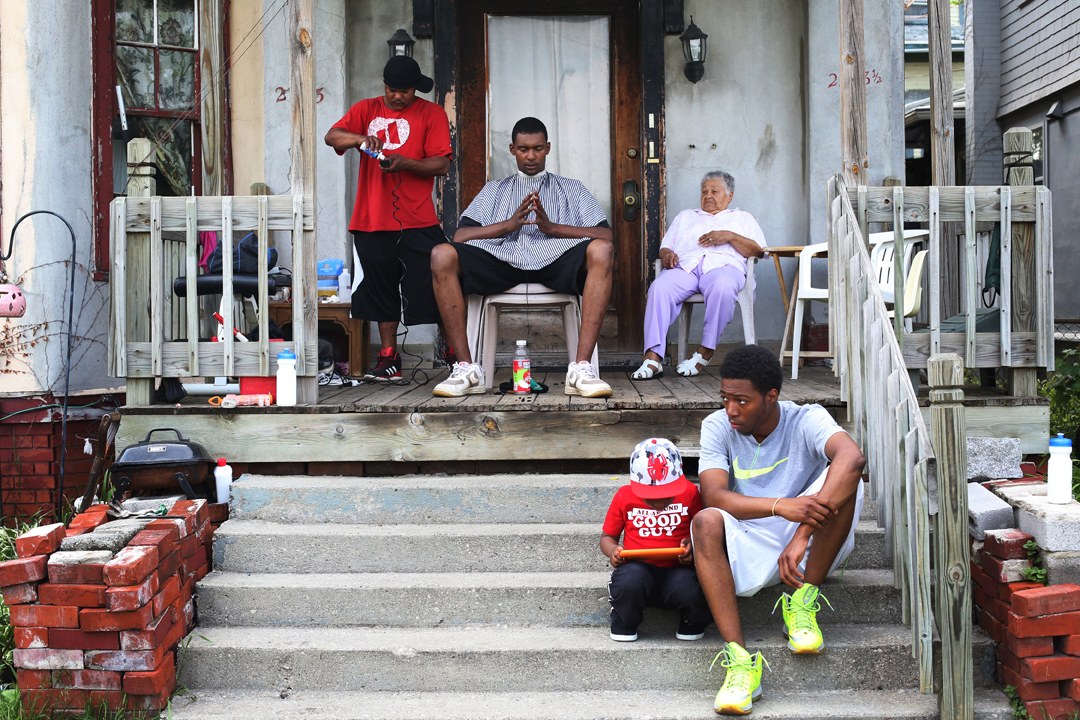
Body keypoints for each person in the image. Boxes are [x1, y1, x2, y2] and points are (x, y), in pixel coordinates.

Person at [691, 345, 866, 715]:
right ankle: (739, 662)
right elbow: (713, 495)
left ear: (772, 396)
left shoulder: (806, 419)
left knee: (848, 476)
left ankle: (803, 601)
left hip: (812, 544)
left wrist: (801, 534)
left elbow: (852, 458)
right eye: (725, 398)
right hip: (751, 539)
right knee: (705, 521)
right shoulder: (717, 426)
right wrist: (778, 506)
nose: (731, 410)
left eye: (741, 400)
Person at [429, 117, 615, 398]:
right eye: (524, 148)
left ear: (548, 148)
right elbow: (461, 236)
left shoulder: (572, 188)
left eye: (538, 148)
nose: (531, 156)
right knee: (441, 254)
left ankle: (581, 368)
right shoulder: (495, 189)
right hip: (502, 263)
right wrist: (508, 225)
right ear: (512, 148)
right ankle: (466, 367)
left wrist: (551, 228)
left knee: (601, 249)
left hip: (557, 262)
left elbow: (606, 235)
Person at [324, 55, 453, 380]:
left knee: (438, 280)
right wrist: (359, 138)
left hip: (419, 218)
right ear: (384, 86)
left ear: (416, 89)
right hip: (371, 218)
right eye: (392, 90)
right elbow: (331, 136)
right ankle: (388, 358)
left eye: (405, 91)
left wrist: (405, 163)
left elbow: (441, 164)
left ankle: (454, 351)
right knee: (379, 288)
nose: (397, 97)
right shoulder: (365, 109)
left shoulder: (431, 113)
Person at [631, 171, 765, 380]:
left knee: (723, 287)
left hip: (724, 267)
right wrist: (667, 256)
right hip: (686, 268)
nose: (708, 196)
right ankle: (653, 357)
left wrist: (729, 236)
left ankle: (705, 351)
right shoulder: (686, 217)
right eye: (704, 191)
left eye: (714, 191)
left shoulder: (742, 219)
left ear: (730, 196)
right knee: (659, 287)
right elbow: (665, 247)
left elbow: (758, 251)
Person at [601, 438, 712, 642]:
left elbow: (705, 532)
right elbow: (608, 537)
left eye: (668, 497)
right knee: (628, 581)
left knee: (691, 586)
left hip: (679, 570)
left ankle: (692, 621)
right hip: (638, 569)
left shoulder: (690, 493)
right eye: (650, 498)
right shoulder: (624, 497)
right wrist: (613, 551)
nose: (660, 503)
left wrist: (693, 550)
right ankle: (624, 622)